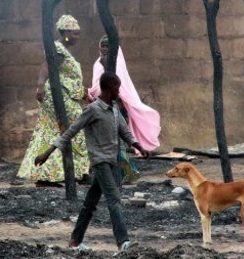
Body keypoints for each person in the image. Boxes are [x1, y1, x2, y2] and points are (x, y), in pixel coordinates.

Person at [34, 71, 150, 255]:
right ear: (109, 87)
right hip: (100, 162)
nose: (119, 92)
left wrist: (139, 147)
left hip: (112, 161)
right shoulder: (92, 110)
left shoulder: (113, 108)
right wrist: (48, 152)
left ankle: (75, 241)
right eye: (117, 88)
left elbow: (124, 132)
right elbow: (71, 131)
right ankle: (123, 243)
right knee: (114, 200)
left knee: (90, 203)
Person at [17, 14, 90, 187]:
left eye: (78, 34)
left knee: (54, 132)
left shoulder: (62, 49)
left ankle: (52, 176)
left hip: (65, 95)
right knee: (75, 128)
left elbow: (66, 76)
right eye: (74, 33)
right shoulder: (57, 48)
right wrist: (40, 86)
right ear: (65, 32)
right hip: (57, 97)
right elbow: (46, 67)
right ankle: (79, 174)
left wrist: (84, 93)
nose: (76, 37)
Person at [88, 35, 161, 184]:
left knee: (116, 141)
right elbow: (98, 86)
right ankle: (116, 174)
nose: (105, 49)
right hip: (101, 107)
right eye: (103, 45)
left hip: (117, 107)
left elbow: (116, 87)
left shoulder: (117, 63)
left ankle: (123, 173)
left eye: (108, 46)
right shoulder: (98, 64)